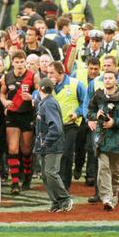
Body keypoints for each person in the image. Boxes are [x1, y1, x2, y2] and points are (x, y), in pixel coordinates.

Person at [87, 71, 119, 211]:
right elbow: (89, 112)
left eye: (110, 78)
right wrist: (95, 115)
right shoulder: (98, 95)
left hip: (118, 138)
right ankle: (106, 197)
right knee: (103, 168)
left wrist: (115, 122)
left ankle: (114, 196)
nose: (108, 80)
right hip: (102, 138)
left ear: (116, 81)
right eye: (106, 78)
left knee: (116, 171)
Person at [0, 51, 39, 194]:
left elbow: (39, 92)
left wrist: (31, 97)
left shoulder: (32, 76)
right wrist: (5, 102)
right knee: (12, 149)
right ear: (12, 62)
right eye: (17, 62)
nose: (20, 65)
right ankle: (15, 182)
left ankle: (27, 176)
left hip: (27, 114)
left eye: (22, 62)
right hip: (12, 115)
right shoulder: (7, 76)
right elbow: (2, 92)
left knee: (27, 149)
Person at [34, 77, 73, 212]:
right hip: (46, 145)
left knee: (50, 172)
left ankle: (64, 198)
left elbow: (55, 128)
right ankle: (56, 202)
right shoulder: (44, 102)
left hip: (52, 146)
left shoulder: (48, 104)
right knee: (46, 174)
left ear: (40, 88)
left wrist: (46, 142)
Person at [46, 61, 85, 191]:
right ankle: (54, 183)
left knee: (66, 154)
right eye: (47, 73)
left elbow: (86, 101)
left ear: (61, 72)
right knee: (52, 154)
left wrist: (77, 113)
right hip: (52, 126)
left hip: (70, 125)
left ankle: (64, 185)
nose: (49, 75)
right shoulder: (47, 86)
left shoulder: (76, 84)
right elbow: (37, 96)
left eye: (52, 73)